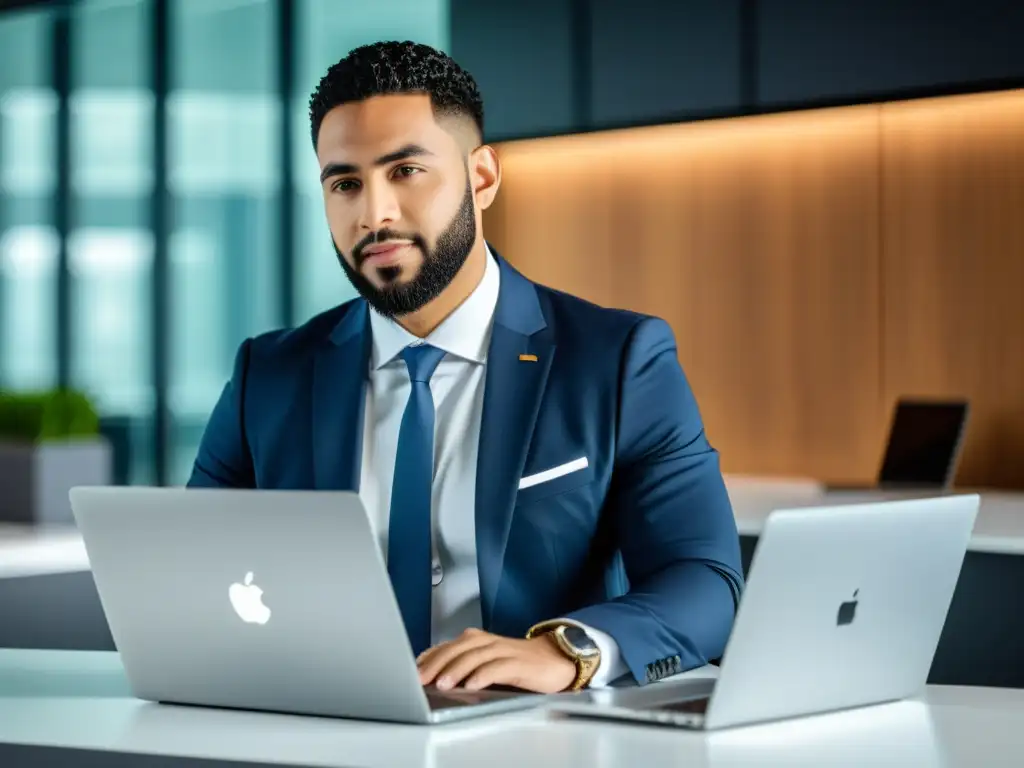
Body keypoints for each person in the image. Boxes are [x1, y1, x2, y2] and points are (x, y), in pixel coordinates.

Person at [189, 40, 744, 695]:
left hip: (530, 740)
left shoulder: (619, 361)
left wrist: (567, 653)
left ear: (481, 178)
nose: (374, 214)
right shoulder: (268, 375)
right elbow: (191, 579)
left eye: (405, 171)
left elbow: (706, 581)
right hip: (321, 726)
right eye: (345, 184)